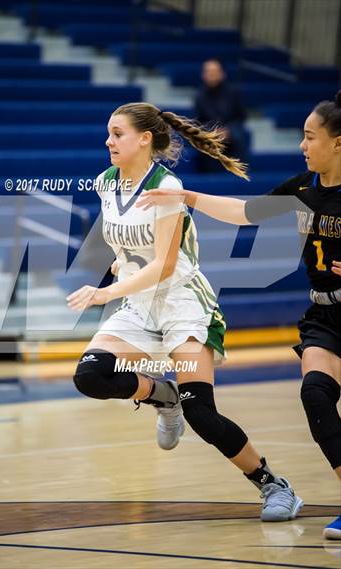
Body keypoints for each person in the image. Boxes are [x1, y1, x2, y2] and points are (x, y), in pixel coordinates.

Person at [67, 102, 303, 522]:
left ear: (144, 139)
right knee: (90, 375)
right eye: (108, 132)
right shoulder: (105, 183)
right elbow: (126, 247)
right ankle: (163, 395)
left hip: (183, 303)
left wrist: (106, 292)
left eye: (117, 133)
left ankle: (272, 484)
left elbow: (165, 264)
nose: (108, 141)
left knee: (202, 413)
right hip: (138, 304)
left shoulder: (167, 185)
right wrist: (120, 264)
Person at [136, 91, 341, 540]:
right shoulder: (303, 188)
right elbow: (247, 214)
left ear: (338, 143)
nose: (303, 146)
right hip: (326, 317)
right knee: (316, 396)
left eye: (310, 137)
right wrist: (188, 196)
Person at [194, 58, 249, 170]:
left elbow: (241, 117)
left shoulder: (233, 93)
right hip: (211, 132)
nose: (211, 75)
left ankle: (240, 171)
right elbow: (199, 120)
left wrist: (227, 131)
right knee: (202, 139)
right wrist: (214, 131)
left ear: (222, 74)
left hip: (232, 131)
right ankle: (209, 175)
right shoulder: (199, 96)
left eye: (214, 71)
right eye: (208, 72)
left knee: (239, 135)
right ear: (203, 75)